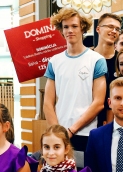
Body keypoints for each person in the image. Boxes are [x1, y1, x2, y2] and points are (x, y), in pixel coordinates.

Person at [43, 8, 107, 153]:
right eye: (66, 27)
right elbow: (47, 102)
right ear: (61, 30)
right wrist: (57, 132)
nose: (69, 30)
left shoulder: (96, 60)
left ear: (82, 28)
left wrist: (71, 130)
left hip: (86, 133)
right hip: (60, 134)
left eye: (74, 26)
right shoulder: (54, 61)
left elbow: (98, 103)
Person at [95, 12, 123, 84]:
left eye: (117, 29)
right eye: (110, 27)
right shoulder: (87, 57)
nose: (114, 31)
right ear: (98, 29)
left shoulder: (121, 59)